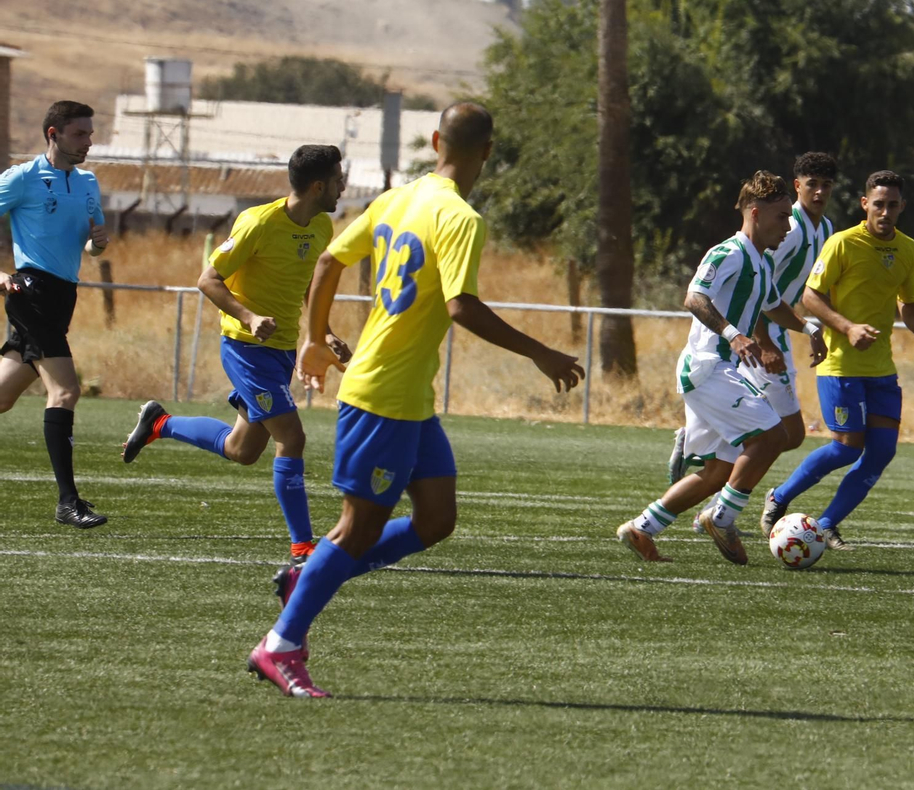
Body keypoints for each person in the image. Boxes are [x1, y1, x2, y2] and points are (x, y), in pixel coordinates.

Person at [247, 102, 584, 698]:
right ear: (488, 152)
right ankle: (282, 644)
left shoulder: (398, 197)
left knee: (436, 518)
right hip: (384, 392)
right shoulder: (459, 217)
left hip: (407, 394)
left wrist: (314, 336)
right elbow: (462, 306)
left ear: (435, 141)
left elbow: (329, 260)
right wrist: (541, 352)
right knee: (356, 528)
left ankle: (313, 575)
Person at [120, 144, 349, 572]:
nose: (343, 186)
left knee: (242, 450)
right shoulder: (257, 222)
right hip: (247, 350)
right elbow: (208, 280)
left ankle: (160, 423)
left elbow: (303, 285)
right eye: (338, 180)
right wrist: (248, 315)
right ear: (318, 185)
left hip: (279, 350)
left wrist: (324, 334)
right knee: (292, 438)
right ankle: (303, 548)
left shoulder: (320, 226)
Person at [617, 170, 818, 566]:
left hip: (723, 372)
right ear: (756, 214)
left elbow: (774, 305)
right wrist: (734, 335)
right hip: (709, 368)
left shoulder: (761, 261)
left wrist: (810, 327)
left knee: (717, 471)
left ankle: (642, 528)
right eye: (781, 216)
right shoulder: (728, 253)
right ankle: (721, 517)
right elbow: (694, 297)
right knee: (773, 435)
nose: (788, 224)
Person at [759, 170, 914, 550]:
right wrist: (847, 327)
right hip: (841, 366)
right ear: (864, 205)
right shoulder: (843, 243)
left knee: (882, 451)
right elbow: (810, 296)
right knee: (846, 447)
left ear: (902, 207)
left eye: (892, 205)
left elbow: (907, 301)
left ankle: (824, 525)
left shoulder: (908, 248)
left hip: (881, 368)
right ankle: (778, 497)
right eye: (878, 204)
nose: (885, 212)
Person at [669, 151, 833, 488]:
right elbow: (747, 287)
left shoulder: (824, 228)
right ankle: (719, 510)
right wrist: (762, 340)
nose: (819, 192)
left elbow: (774, 293)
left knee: (779, 435)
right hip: (753, 340)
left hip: (770, 335)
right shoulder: (787, 229)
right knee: (777, 434)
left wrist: (811, 327)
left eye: (826, 185)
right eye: (812, 184)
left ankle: (709, 495)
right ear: (797, 186)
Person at [0, 101, 110, 528]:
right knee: (66, 391)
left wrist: (98, 243)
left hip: (63, 296)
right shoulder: (23, 178)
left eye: (89, 133)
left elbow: (92, 248)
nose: (88, 141)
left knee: (4, 396)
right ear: (53, 134)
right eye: (80, 133)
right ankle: (68, 502)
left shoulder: (87, 183)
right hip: (32, 292)